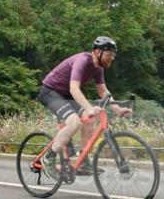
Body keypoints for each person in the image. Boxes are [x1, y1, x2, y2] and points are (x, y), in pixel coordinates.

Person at [37, 36, 132, 175]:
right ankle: (49, 158)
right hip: (51, 91)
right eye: (109, 54)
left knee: (90, 119)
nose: (112, 58)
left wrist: (117, 109)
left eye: (113, 55)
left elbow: (103, 91)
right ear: (97, 52)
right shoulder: (82, 60)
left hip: (66, 95)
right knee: (74, 122)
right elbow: (74, 88)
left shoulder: (98, 68)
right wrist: (89, 108)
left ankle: (83, 162)